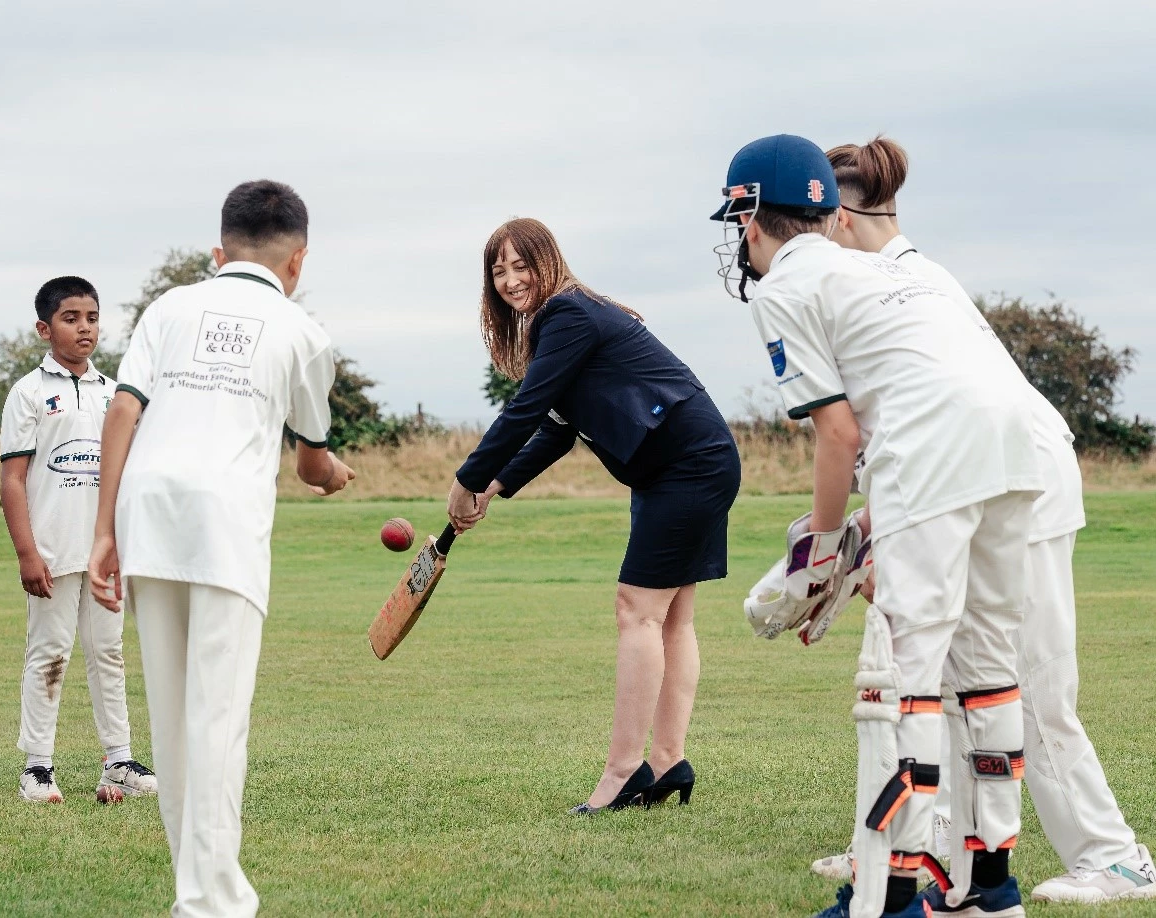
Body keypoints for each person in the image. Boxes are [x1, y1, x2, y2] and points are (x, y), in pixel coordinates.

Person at [809, 136, 1154, 905]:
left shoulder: (886, 278)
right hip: (968, 479)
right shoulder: (907, 273)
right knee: (954, 680)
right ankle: (913, 844)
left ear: (837, 217)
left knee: (1025, 684)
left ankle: (1113, 854)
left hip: (1013, 480)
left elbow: (883, 420)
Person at [713, 135, 1041, 918]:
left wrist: (820, 553)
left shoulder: (781, 289)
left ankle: (890, 892)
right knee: (989, 664)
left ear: (750, 215)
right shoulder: (881, 269)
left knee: (903, 679)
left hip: (930, 450)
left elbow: (838, 434)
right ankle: (987, 884)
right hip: (1011, 445)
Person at [88, 180, 354, 917]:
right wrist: (334, 474)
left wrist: (104, 528)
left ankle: (196, 892)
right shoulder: (303, 331)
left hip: (148, 510)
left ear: (217, 250)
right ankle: (211, 903)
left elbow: (122, 408)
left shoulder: (169, 306)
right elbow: (310, 461)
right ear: (298, 260)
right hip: (225, 523)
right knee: (216, 719)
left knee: (173, 718)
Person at [448, 217, 741, 815]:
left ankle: (623, 773)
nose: (509, 280)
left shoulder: (568, 314)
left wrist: (467, 479)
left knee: (636, 609)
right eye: (498, 271)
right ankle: (666, 761)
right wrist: (498, 484)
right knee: (671, 617)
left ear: (547, 260)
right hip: (685, 463)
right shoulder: (565, 323)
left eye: (519, 264)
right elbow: (557, 430)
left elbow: (527, 407)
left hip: (686, 465)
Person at [0, 276, 157, 804]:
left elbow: (127, 474)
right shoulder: (29, 392)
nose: (84, 327)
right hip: (52, 550)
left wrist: (123, 543)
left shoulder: (114, 392)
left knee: (108, 651)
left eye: (91, 317)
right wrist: (27, 553)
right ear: (45, 328)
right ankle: (37, 767)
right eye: (71, 318)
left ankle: (118, 761)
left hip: (104, 551)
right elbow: (13, 479)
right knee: (50, 653)